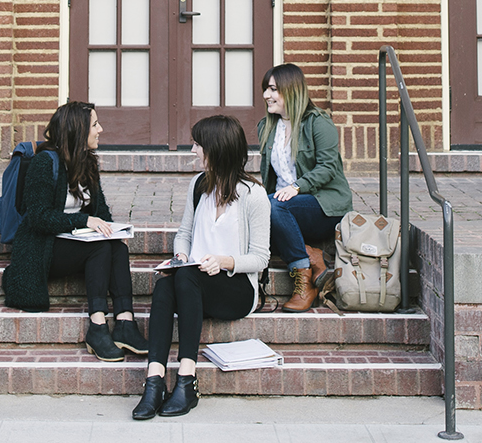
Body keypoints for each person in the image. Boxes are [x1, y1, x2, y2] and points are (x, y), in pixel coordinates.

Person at [131, 115, 270, 420]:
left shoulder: (253, 195)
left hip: (234, 288)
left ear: (216, 149)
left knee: (183, 278)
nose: (193, 150)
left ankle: (186, 377)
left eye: (198, 144)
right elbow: (184, 234)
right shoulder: (198, 186)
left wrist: (223, 262)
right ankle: (154, 381)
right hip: (192, 280)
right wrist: (181, 257)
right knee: (168, 281)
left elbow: (260, 258)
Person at [1, 101, 146, 362]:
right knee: (100, 246)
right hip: (43, 247)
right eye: (95, 125)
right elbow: (37, 217)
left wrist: (114, 230)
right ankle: (98, 326)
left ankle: (125, 322)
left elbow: (100, 210)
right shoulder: (45, 163)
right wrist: (83, 221)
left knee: (115, 245)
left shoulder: (87, 162)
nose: (100, 129)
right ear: (78, 130)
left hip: (75, 241)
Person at [256, 63, 354, 312]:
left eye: (273, 89)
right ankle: (312, 255)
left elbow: (328, 167)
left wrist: (298, 187)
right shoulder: (267, 127)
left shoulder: (318, 122)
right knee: (249, 216)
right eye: (266, 89)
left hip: (323, 204)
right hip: (281, 205)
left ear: (292, 90)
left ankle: (303, 278)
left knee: (275, 205)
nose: (266, 95)